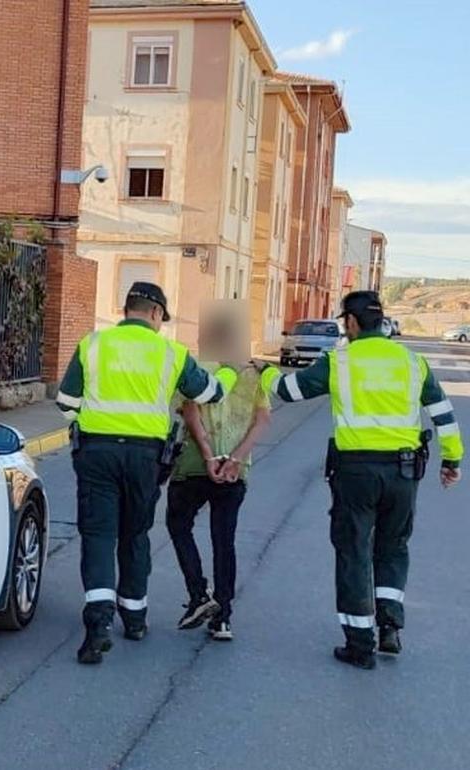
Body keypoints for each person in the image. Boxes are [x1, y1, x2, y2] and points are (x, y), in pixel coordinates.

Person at [260, 290, 463, 669]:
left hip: (356, 474)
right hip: (403, 473)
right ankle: (390, 627)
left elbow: (290, 390)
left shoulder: (340, 362)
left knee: (353, 551)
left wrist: (265, 372)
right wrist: (451, 459)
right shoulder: (411, 361)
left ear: (351, 323)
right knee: (393, 547)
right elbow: (443, 414)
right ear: (381, 321)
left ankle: (359, 643)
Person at [56, 282, 238, 665]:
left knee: (99, 535)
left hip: (97, 453)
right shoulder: (170, 353)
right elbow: (209, 393)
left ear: (128, 310)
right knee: (135, 535)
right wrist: (230, 377)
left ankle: (98, 627)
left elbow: (66, 403)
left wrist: (89, 425)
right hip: (145, 458)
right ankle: (134, 619)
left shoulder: (93, 344)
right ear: (155, 314)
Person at [167, 357, 272, 642]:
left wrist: (208, 455)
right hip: (235, 471)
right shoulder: (253, 374)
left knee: (178, 525)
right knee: (224, 540)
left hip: (193, 466)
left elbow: (190, 410)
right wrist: (235, 458)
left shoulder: (196, 368)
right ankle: (223, 618)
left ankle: (199, 594)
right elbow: (263, 419)